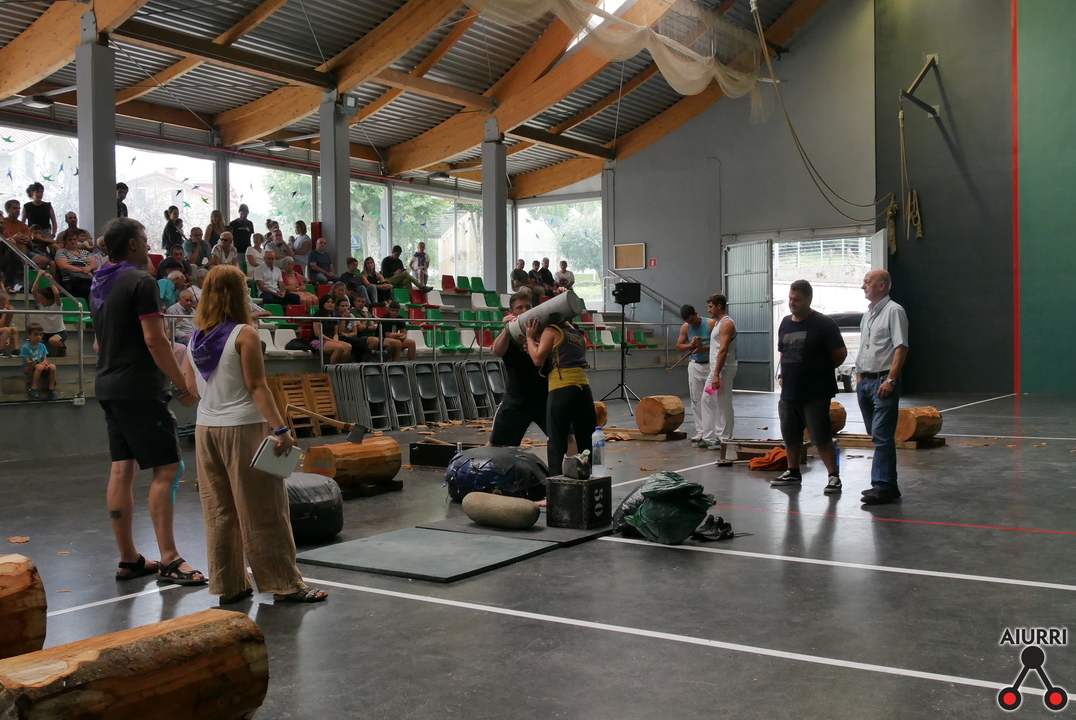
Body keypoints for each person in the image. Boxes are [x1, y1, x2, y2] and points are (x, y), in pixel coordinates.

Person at [183, 265, 327, 604]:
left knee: (219, 510)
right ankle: (284, 584)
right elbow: (257, 386)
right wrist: (282, 429)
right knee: (264, 508)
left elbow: (190, 388)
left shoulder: (194, 338)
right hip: (243, 427)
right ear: (238, 295)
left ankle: (229, 584)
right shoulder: (244, 334)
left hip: (206, 429)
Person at [89, 217, 205, 585]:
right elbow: (155, 340)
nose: (150, 246)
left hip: (109, 386)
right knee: (167, 468)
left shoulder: (99, 282)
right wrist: (181, 384)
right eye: (144, 238)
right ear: (133, 244)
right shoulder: (141, 282)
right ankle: (170, 558)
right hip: (140, 389)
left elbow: (99, 342)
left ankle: (130, 560)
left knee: (122, 469)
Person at [770, 280, 846, 494]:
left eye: (797, 300)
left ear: (809, 299)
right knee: (790, 434)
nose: (792, 303)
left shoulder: (824, 324)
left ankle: (833, 476)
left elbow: (840, 354)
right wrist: (785, 374)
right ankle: (793, 472)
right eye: (790, 299)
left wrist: (819, 371)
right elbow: (784, 351)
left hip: (816, 392)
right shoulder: (785, 322)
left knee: (820, 436)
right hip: (789, 391)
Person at [856, 270, 909, 506]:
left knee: (881, 435)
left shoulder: (894, 311)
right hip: (866, 382)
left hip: (882, 382)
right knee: (877, 434)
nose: (863, 286)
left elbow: (901, 347)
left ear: (881, 285)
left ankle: (881, 486)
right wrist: (859, 377)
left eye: (867, 282)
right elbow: (865, 347)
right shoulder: (867, 315)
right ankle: (890, 486)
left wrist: (891, 379)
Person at [526, 312, 596, 476]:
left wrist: (530, 338)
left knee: (557, 441)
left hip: (562, 388)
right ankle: (587, 478)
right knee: (586, 439)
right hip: (583, 389)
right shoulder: (576, 333)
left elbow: (537, 359)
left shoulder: (551, 330)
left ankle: (556, 484)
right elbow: (562, 354)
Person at [489, 292, 550, 447]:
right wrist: (507, 329)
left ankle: (572, 463)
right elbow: (497, 351)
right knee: (495, 444)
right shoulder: (508, 335)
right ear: (511, 312)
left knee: (567, 438)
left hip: (544, 396)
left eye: (528, 307)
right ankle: (479, 463)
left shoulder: (543, 330)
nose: (524, 311)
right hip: (517, 399)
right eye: (520, 308)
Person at [676, 304, 716, 448]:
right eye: (688, 321)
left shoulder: (710, 324)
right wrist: (691, 345)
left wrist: (703, 348)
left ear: (696, 313)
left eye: (692, 320)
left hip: (710, 366)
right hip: (695, 366)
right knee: (696, 400)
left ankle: (713, 430)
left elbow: (720, 344)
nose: (691, 323)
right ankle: (701, 431)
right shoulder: (686, 327)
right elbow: (679, 346)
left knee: (710, 398)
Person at [704, 294, 738, 452]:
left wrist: (716, 374)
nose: (708, 310)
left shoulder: (727, 324)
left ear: (719, 306)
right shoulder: (718, 323)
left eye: (711, 306)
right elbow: (716, 346)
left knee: (723, 402)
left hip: (723, 370)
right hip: (716, 369)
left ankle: (725, 439)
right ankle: (715, 436)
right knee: (709, 399)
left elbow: (723, 350)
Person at [31, 273, 67, 356]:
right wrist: (39, 277)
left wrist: (51, 280)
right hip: (45, 333)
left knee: (53, 341)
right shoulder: (41, 305)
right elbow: (34, 291)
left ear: (50, 300)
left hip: (59, 332)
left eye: (42, 299)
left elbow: (56, 294)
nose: (40, 300)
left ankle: (62, 347)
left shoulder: (57, 306)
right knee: (34, 339)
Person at [55, 232, 98, 299]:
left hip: (88, 278)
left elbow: (94, 264)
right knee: (85, 288)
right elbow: (63, 266)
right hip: (71, 281)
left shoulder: (85, 252)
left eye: (74, 239)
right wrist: (83, 270)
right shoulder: (61, 252)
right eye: (70, 239)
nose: (73, 241)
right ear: (65, 241)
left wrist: (88, 268)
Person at [21, 323, 57, 400]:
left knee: (53, 367)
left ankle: (51, 389)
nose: (38, 337)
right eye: (35, 334)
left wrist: (45, 363)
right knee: (39, 367)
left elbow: (44, 358)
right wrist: (40, 364)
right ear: (29, 335)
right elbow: (28, 361)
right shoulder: (25, 347)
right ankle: (34, 388)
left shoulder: (42, 346)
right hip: (30, 366)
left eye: (40, 335)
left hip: (40, 365)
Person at [311, 294, 351, 364]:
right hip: (318, 340)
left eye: (332, 302)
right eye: (328, 302)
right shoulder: (318, 315)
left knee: (348, 347)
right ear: (323, 304)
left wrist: (335, 339)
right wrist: (332, 341)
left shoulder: (333, 316)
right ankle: (331, 369)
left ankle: (341, 367)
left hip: (331, 340)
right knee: (338, 347)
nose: (330, 304)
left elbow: (336, 333)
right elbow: (317, 333)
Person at [0, 291, 17, 357]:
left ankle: (16, 350)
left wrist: (10, 313)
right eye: (7, 300)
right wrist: (4, 313)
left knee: (14, 329)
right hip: (1, 328)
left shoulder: (4, 309)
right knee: (6, 330)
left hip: (2, 329)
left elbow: (6, 324)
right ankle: (1, 350)